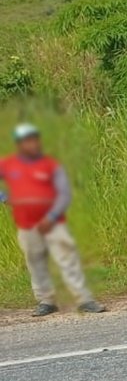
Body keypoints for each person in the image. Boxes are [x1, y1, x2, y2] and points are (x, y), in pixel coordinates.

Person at [0, 123, 104, 317]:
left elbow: (64, 194)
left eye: (34, 139)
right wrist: (4, 197)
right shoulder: (9, 164)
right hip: (27, 225)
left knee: (67, 258)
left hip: (54, 223)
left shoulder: (50, 165)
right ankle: (46, 301)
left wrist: (51, 216)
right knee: (35, 261)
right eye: (26, 141)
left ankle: (84, 299)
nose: (32, 144)